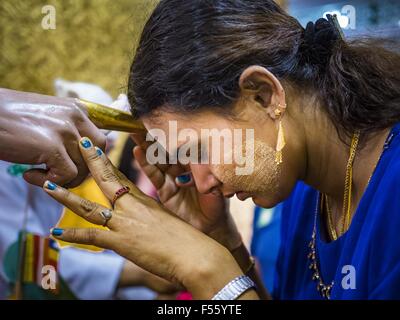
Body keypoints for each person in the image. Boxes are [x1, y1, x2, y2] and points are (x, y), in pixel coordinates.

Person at [5, 0, 400, 299]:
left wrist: (202, 266)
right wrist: (222, 242)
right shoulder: (305, 191)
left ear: (263, 94)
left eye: (199, 151)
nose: (205, 185)